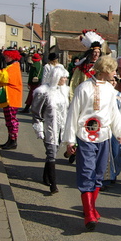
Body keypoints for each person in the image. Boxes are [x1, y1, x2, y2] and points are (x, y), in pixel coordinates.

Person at [64, 55, 121, 231]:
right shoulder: (83, 88)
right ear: (105, 70)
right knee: (86, 172)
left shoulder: (110, 89)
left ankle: (91, 208)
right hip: (85, 136)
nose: (115, 74)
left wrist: (120, 132)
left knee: (99, 173)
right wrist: (70, 140)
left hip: (104, 136)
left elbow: (114, 113)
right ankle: (89, 213)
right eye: (113, 70)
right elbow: (73, 114)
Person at [31, 65, 70, 195]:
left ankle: (46, 177)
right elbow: (36, 112)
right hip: (49, 128)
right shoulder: (43, 92)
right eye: (63, 77)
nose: (65, 79)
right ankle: (53, 185)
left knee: (54, 152)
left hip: (60, 128)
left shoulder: (63, 91)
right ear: (56, 77)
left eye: (66, 77)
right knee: (51, 153)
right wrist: (39, 128)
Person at [0, 48, 24, 150]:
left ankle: (13, 141)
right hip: (9, 97)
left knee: (11, 120)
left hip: (12, 98)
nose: (5, 58)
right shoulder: (11, 66)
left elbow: (4, 77)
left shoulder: (14, 67)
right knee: (9, 121)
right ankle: (10, 140)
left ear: (12, 56)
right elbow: (2, 77)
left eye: (7, 56)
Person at [70, 30, 104, 96]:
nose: (96, 54)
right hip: (84, 95)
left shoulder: (101, 67)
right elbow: (74, 84)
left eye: (98, 52)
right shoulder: (81, 68)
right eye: (95, 52)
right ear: (90, 53)